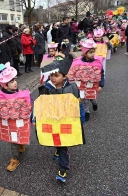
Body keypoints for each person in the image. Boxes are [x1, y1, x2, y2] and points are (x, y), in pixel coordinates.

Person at [36, 53, 85, 183]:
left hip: (66, 121)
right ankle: (57, 149)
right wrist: (35, 118)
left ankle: (63, 168)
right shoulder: (46, 88)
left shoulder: (72, 88)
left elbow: (78, 104)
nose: (53, 78)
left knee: (64, 144)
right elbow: (40, 104)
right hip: (52, 120)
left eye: (56, 75)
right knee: (54, 138)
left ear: (64, 76)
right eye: (51, 75)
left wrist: (82, 118)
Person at [0, 63, 30, 172]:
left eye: (15, 80)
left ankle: (20, 145)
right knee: (13, 138)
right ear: (5, 85)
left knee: (19, 134)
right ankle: (15, 158)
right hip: (8, 122)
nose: (15, 83)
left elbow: (28, 103)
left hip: (19, 121)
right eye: (12, 81)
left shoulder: (19, 92)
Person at [71, 39, 104, 121]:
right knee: (84, 99)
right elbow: (73, 73)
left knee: (92, 98)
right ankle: (87, 112)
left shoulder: (97, 62)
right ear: (85, 53)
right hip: (81, 85)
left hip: (92, 85)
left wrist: (101, 84)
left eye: (93, 52)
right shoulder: (77, 62)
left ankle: (94, 104)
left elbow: (101, 74)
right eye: (90, 52)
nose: (93, 54)